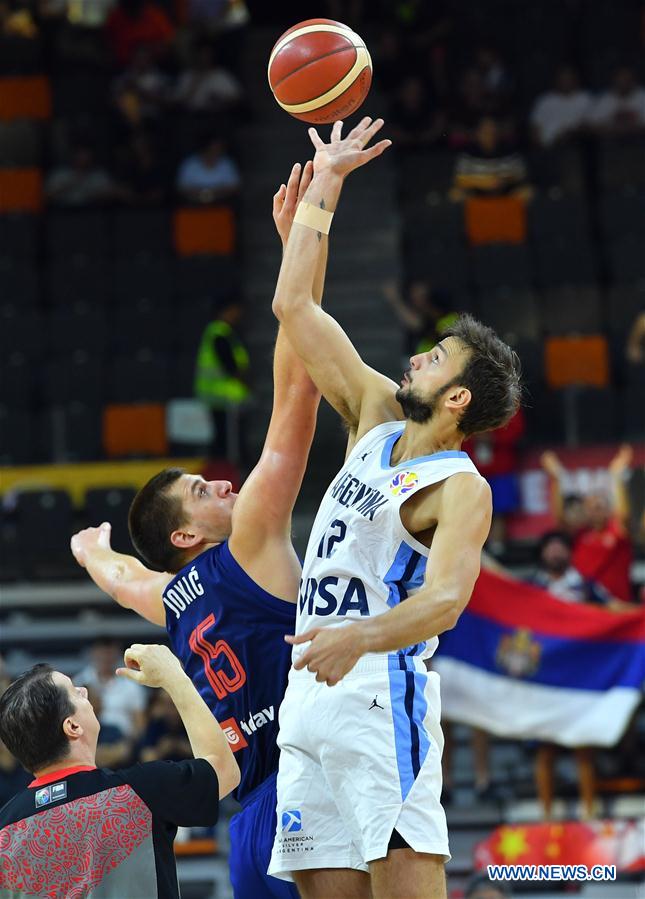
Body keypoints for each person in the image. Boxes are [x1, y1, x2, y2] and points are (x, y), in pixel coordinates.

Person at [268, 117, 521, 899]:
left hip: (378, 690)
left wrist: (360, 636)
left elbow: (445, 600)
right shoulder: (374, 415)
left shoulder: (459, 485)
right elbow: (293, 306)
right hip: (307, 697)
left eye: (435, 357)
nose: (415, 355)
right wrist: (322, 194)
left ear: (457, 398)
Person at [71, 161, 322, 899]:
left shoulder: (171, 599)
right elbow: (299, 387)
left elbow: (123, 579)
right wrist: (304, 238)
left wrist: (92, 553)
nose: (221, 483)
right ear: (186, 536)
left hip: (252, 821)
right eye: (199, 492)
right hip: (313, 791)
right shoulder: (251, 544)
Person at [0, 643, 239, 899]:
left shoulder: (4, 829)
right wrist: (175, 679)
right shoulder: (139, 792)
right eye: (75, 692)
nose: (84, 690)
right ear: (72, 726)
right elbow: (224, 769)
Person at [541, 446, 634, 602]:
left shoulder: (617, 532)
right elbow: (560, 518)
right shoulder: (580, 534)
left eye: (600, 506)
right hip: (586, 605)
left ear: (608, 510)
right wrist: (556, 479)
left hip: (616, 605)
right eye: (591, 507)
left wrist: (616, 477)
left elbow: (623, 516)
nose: (595, 511)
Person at [194, 301, 250, 460]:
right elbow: (230, 366)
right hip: (223, 396)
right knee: (226, 438)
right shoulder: (219, 334)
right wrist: (243, 378)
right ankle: (227, 464)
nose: (237, 315)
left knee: (224, 435)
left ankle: (225, 462)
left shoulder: (223, 332)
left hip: (223, 396)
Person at [450, 116, 532, 201]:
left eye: (493, 131)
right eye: (486, 132)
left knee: (527, 192)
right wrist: (483, 182)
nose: (490, 136)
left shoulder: (510, 152)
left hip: (506, 196)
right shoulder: (467, 155)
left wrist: (502, 180)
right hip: (476, 196)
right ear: (477, 133)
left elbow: (521, 176)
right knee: (455, 194)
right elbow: (459, 179)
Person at [530, 66, 592, 147]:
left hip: (576, 144)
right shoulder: (544, 100)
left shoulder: (585, 99)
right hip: (548, 147)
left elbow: (590, 125)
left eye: (568, 78)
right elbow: (534, 130)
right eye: (562, 78)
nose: (565, 82)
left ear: (575, 79)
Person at [176, 134, 241, 204]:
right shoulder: (190, 164)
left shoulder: (226, 164)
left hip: (221, 204)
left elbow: (235, 186)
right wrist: (200, 194)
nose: (217, 149)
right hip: (193, 205)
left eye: (219, 147)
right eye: (214, 146)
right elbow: (181, 187)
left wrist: (215, 193)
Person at [587, 66, 645, 134]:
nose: (624, 83)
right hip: (612, 137)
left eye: (627, 80)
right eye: (621, 80)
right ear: (615, 81)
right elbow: (592, 123)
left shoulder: (642, 96)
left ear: (633, 81)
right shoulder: (607, 98)